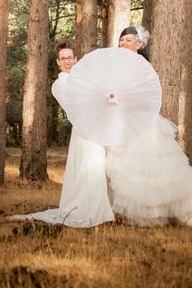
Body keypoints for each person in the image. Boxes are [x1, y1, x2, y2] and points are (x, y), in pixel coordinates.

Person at [9, 40, 114, 228]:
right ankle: (87, 210)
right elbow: (77, 107)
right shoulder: (60, 84)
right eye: (63, 58)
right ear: (58, 62)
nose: (67, 61)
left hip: (97, 128)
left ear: (76, 59)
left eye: (70, 58)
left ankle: (102, 209)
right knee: (89, 168)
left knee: (99, 168)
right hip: (84, 131)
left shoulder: (84, 79)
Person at [105, 25, 192, 227]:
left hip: (141, 119)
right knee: (127, 168)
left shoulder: (142, 65)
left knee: (150, 167)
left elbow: (147, 93)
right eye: (122, 40)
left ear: (138, 44)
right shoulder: (115, 65)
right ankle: (132, 213)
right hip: (123, 117)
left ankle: (155, 213)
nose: (123, 43)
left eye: (128, 40)